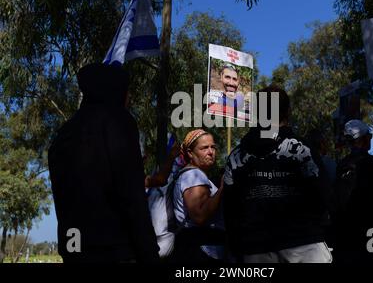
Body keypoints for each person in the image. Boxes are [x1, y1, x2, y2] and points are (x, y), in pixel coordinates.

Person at [48, 63, 159, 263]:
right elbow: (131, 196)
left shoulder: (63, 134)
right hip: (116, 249)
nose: (130, 98)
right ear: (118, 91)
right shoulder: (118, 121)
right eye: (128, 92)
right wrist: (149, 251)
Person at [223, 85, 332, 263]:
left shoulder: (236, 156)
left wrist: (239, 246)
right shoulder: (302, 149)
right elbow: (323, 194)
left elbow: (230, 208)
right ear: (287, 112)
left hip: (255, 249)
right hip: (304, 244)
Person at [331, 120, 373, 264]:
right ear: (365, 139)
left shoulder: (341, 165)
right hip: (372, 229)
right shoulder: (372, 163)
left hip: (347, 231)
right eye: (370, 136)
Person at [171, 129, 226, 263]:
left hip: (199, 248)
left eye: (213, 147)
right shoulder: (193, 176)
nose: (210, 152)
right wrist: (223, 188)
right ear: (190, 153)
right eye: (204, 148)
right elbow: (199, 216)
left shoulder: (195, 175)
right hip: (200, 251)